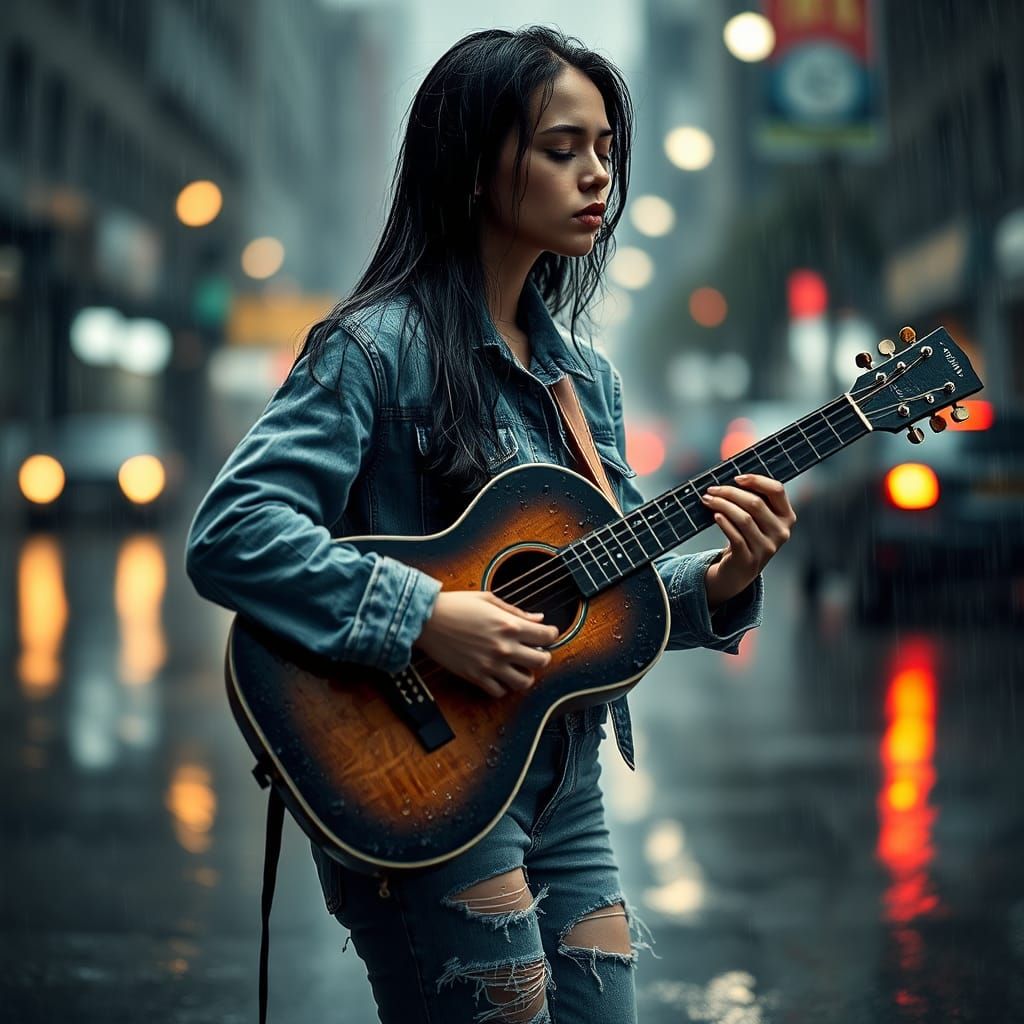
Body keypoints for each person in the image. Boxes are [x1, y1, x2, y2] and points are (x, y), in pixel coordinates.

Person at [185, 25, 796, 1024]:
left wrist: (726, 579)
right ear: (473, 168)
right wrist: (425, 614)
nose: (596, 174)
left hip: (567, 788)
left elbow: (612, 601)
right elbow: (234, 531)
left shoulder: (582, 383)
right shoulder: (372, 351)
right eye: (562, 150)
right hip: (423, 782)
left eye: (605, 149)